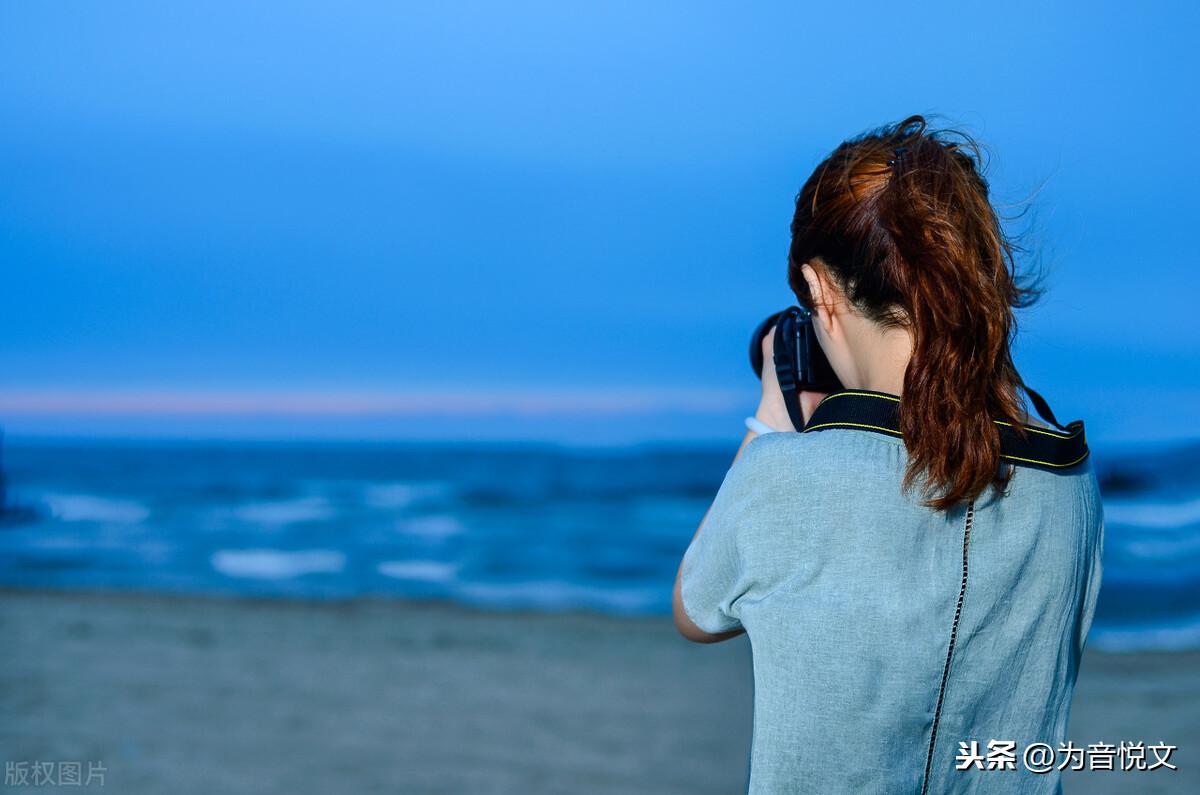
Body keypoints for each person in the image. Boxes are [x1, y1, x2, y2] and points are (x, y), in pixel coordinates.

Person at [672, 114, 1104, 794]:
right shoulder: (1071, 480)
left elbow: (697, 607)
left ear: (819, 289)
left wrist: (772, 414)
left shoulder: (784, 476)